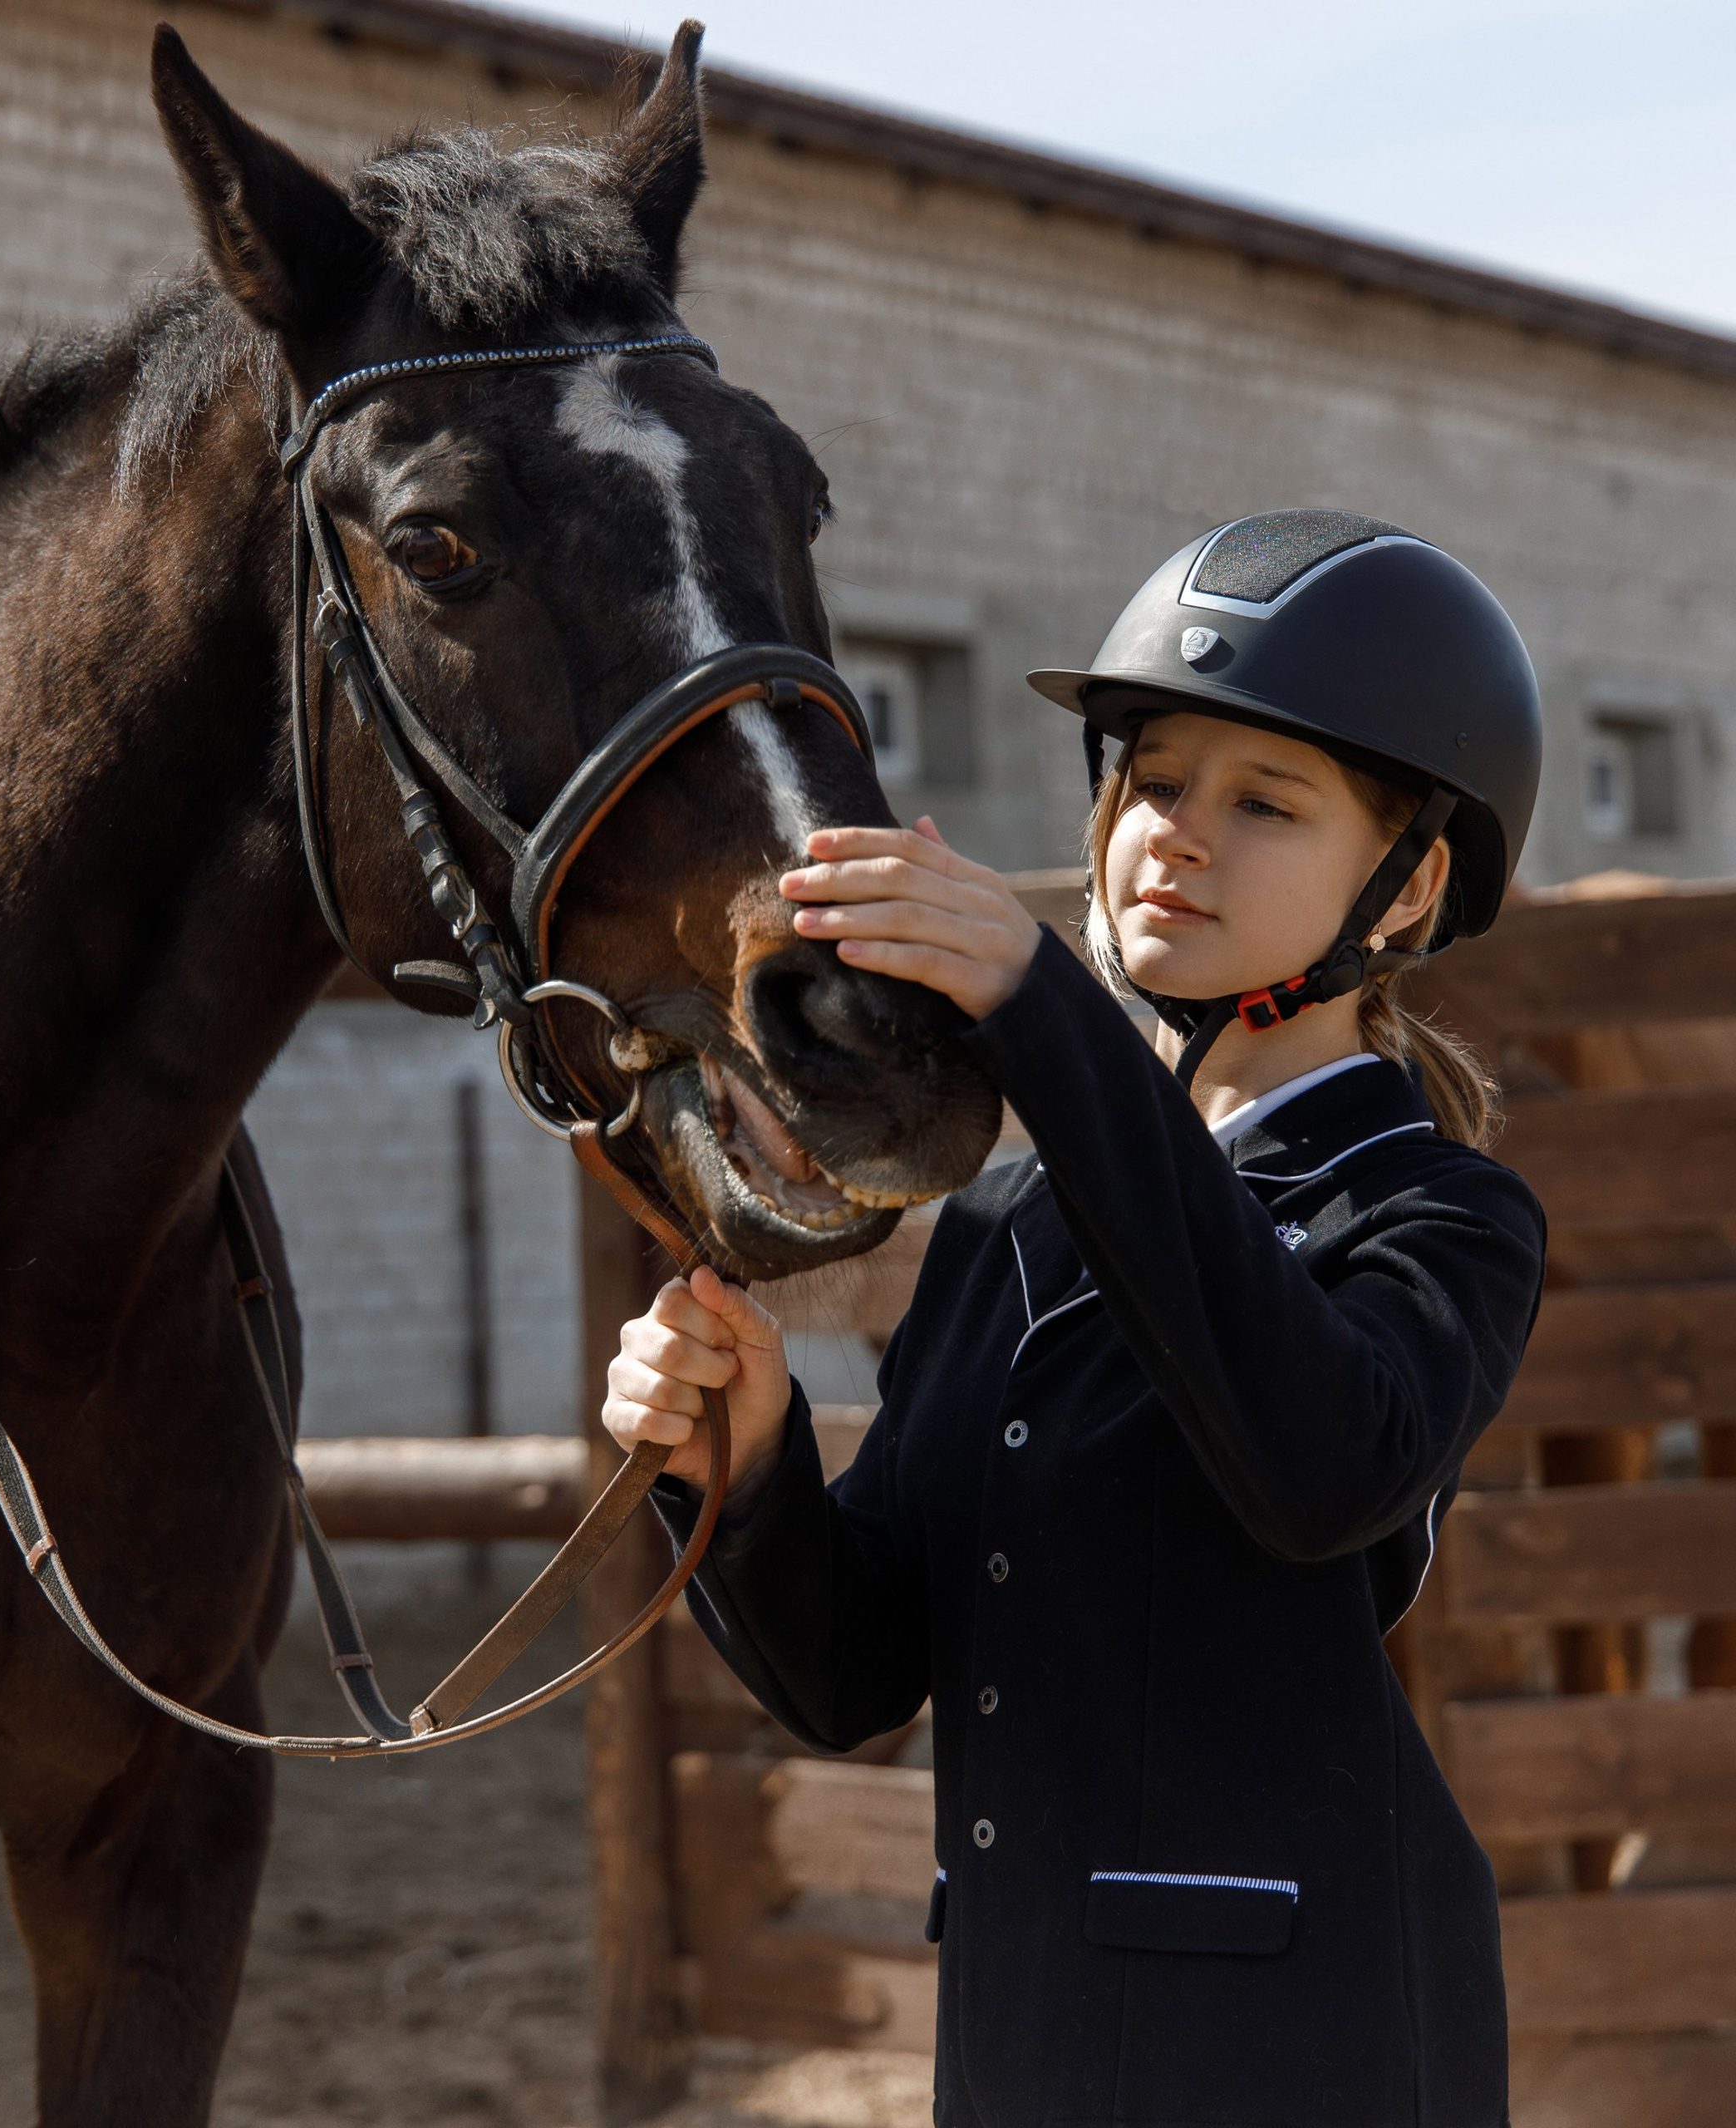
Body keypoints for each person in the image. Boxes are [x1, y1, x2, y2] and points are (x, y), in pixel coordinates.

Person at [602, 511, 1548, 2127]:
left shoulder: (1437, 1214)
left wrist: (1047, 1019)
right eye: (1157, 779)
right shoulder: (996, 1222)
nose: (1176, 834)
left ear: (1405, 889)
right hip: (1017, 2041)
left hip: (1297, 2048)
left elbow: (1317, 1464)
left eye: (1264, 802)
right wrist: (744, 1468)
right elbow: (856, 1674)